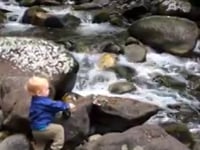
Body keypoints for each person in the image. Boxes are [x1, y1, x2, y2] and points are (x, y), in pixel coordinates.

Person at [25, 76, 75, 150]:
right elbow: (55, 105)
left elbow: (50, 108)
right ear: (39, 93)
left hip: (34, 130)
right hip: (43, 129)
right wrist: (67, 105)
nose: (49, 90)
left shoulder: (35, 100)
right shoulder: (44, 102)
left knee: (40, 144)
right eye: (46, 89)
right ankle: (55, 147)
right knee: (59, 129)